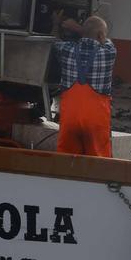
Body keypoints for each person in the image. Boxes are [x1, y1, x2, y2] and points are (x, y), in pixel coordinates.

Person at [52, 13, 116, 157]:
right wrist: (78, 28)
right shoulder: (109, 52)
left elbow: (54, 41)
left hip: (70, 120)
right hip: (96, 123)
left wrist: (57, 24)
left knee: (66, 160)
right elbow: (105, 40)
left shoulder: (66, 50)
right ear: (101, 35)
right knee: (98, 162)